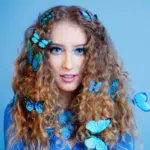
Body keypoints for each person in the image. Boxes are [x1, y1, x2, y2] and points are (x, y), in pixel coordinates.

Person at [4, 5, 139, 150]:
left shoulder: (116, 112)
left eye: (80, 50)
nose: (68, 64)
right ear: (41, 55)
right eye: (56, 50)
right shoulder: (19, 113)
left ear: (96, 58)